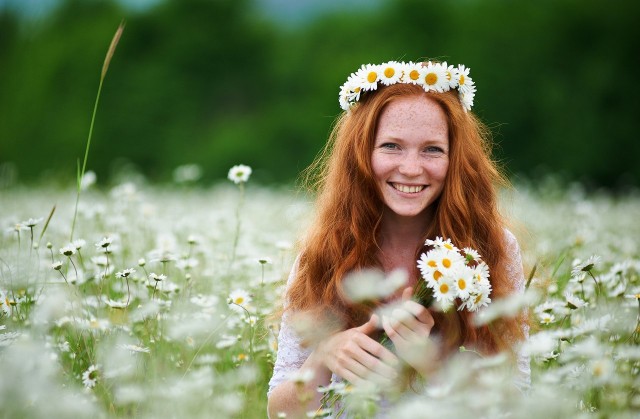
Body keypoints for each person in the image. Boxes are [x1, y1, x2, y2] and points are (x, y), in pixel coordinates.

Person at [267, 60, 529, 418]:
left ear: (456, 159)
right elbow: (280, 412)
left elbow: (514, 403)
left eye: (432, 149)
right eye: (391, 146)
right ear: (360, 153)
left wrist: (432, 361)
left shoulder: (490, 249)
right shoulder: (324, 251)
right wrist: (326, 355)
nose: (410, 168)